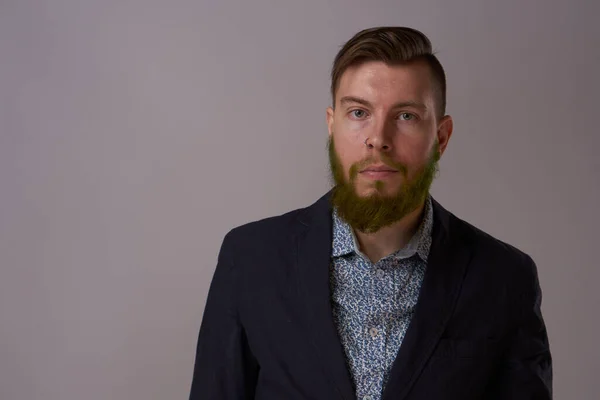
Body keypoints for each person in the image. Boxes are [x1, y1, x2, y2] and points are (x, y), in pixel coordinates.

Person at [188, 26, 552, 400]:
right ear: (332, 126)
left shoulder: (505, 279)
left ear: (441, 138)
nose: (378, 137)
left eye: (406, 116)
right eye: (359, 112)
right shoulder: (250, 259)